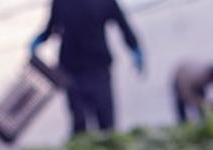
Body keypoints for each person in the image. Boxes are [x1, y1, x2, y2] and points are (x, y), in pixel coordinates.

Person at [30, 0, 144, 136]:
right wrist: (40, 39)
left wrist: (134, 48)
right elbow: (52, 27)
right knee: (79, 122)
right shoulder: (61, 2)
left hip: (98, 68)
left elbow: (123, 25)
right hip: (71, 71)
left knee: (106, 124)